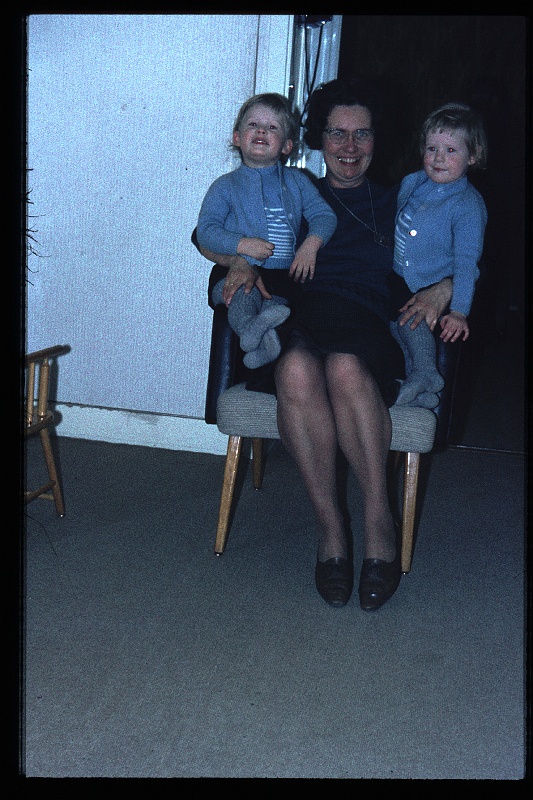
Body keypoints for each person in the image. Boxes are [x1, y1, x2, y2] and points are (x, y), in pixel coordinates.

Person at [196, 79, 452, 612]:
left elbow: (466, 241)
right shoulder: (294, 190)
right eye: (338, 134)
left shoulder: (398, 201)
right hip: (293, 316)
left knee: (344, 367)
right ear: (316, 139)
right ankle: (330, 529)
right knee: (294, 371)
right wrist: (238, 260)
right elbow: (206, 233)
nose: (350, 147)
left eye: (362, 134)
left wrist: (443, 290)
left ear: (378, 140)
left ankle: (378, 519)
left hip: (365, 323)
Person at [196, 93, 337, 369]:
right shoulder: (225, 186)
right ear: (237, 138)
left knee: (281, 310)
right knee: (243, 297)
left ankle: (260, 347)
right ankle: (251, 331)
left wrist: (311, 245)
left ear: (286, 146)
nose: (261, 131)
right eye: (253, 125)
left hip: (284, 276)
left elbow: (324, 215)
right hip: (237, 271)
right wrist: (242, 244)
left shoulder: (297, 182)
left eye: (272, 128)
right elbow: (206, 231)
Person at [389, 102, 488, 408]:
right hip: (398, 278)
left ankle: (425, 374)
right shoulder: (412, 182)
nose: (438, 158)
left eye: (451, 151)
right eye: (432, 148)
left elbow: (467, 263)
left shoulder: (467, 205)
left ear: (473, 155)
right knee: (395, 325)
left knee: (412, 322)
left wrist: (459, 310)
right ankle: (417, 386)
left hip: (430, 284)